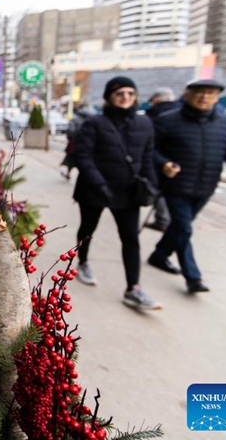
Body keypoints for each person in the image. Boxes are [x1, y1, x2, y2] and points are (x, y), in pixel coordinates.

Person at [147, 79, 226, 293]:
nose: (204, 97)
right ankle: (193, 277)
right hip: (175, 185)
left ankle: (159, 255)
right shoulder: (167, 120)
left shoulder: (225, 123)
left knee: (179, 228)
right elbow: (149, 149)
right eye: (199, 92)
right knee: (184, 228)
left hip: (205, 187)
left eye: (210, 93)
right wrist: (163, 163)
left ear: (217, 98)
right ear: (187, 94)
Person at [72, 76, 161, 310]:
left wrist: (152, 184)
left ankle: (134, 288)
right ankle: (82, 261)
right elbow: (83, 155)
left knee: (131, 238)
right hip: (94, 189)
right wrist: (99, 183)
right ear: (109, 97)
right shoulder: (94, 123)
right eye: (120, 93)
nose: (125, 98)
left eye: (130, 94)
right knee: (88, 229)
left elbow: (148, 158)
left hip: (128, 191)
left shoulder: (144, 124)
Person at [143, 88, 178, 231]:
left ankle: (163, 219)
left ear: (157, 99)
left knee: (158, 190)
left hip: (159, 159)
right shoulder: (182, 112)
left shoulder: (153, 114)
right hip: (178, 160)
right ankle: (169, 219)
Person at [60, 104, 94, 180]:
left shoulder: (75, 118)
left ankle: (68, 173)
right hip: (88, 145)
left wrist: (71, 138)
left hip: (75, 144)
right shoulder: (92, 119)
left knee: (71, 160)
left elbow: (70, 131)